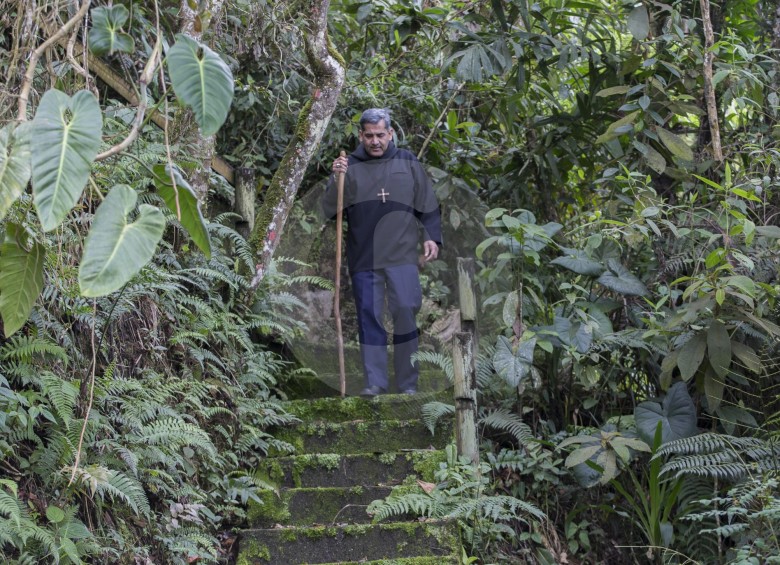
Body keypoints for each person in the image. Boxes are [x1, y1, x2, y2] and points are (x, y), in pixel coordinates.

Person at [322, 108, 442, 397]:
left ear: (390, 133)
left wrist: (431, 237)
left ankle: (408, 384)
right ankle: (375, 382)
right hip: (364, 255)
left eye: (380, 135)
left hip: (402, 254)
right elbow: (330, 210)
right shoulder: (348, 166)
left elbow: (427, 202)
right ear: (361, 135)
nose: (375, 141)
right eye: (369, 136)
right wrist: (336, 179)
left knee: (404, 310)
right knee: (370, 316)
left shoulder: (407, 162)